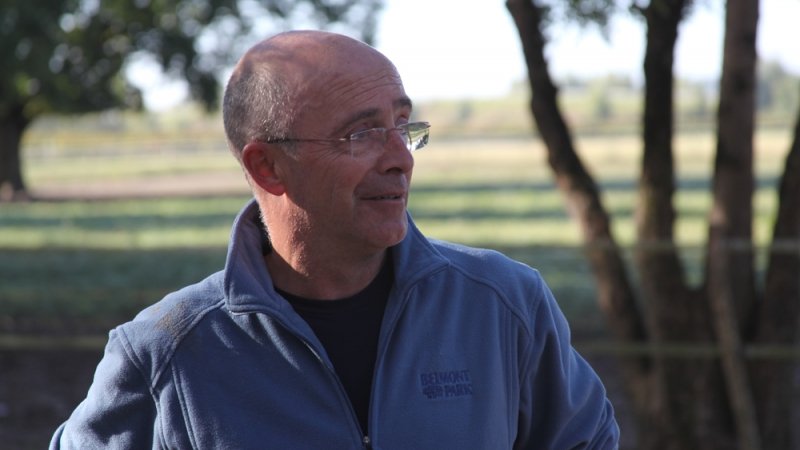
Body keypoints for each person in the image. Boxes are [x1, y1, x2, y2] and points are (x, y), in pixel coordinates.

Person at [50, 30, 619, 449]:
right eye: (362, 133)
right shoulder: (168, 352)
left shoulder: (503, 306)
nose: (400, 159)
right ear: (268, 166)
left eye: (403, 126)